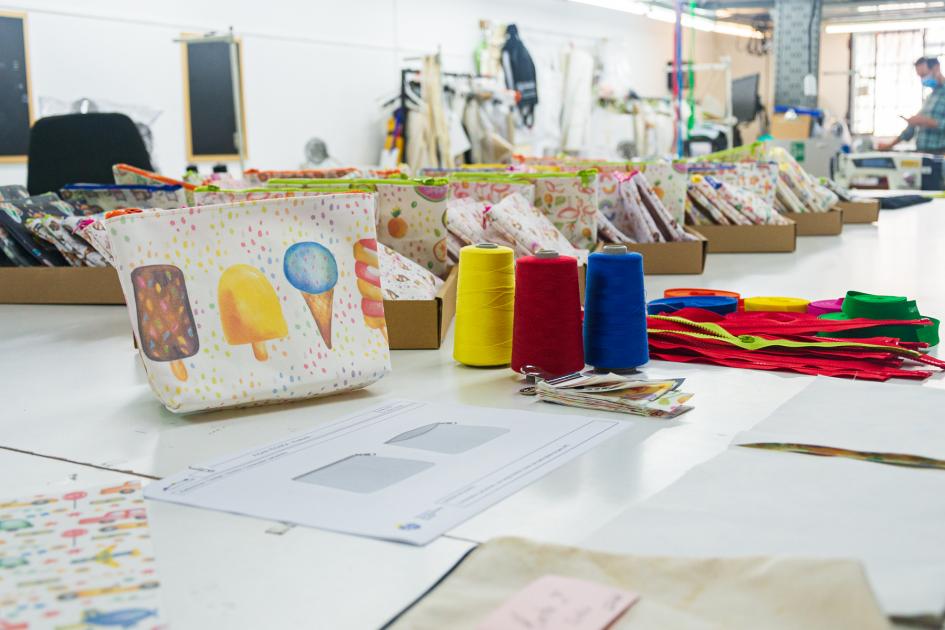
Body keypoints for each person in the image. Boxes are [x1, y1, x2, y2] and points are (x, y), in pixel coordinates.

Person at [878, 56, 945, 154]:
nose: (922, 79)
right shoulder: (930, 97)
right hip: (922, 153)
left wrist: (928, 122)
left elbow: (929, 122)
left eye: (924, 74)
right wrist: (889, 145)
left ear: (936, 68)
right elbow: (910, 130)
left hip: (940, 155)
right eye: (920, 76)